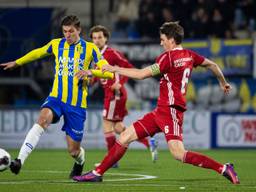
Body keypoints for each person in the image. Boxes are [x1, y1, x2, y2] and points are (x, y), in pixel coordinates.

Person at [72, 21, 240, 184]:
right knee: (124, 136)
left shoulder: (168, 57)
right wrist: (222, 82)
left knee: (178, 153)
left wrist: (115, 69)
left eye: (163, 39)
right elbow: (212, 64)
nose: (161, 43)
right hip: (160, 111)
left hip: (171, 111)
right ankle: (97, 173)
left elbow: (141, 74)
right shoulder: (190, 55)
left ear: (172, 40)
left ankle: (223, 168)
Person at [0, 15, 113, 178]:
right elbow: (37, 53)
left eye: (71, 31)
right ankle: (19, 161)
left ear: (79, 30)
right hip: (56, 98)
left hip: (76, 105)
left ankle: (80, 162)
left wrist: (91, 71)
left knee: (73, 151)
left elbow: (108, 73)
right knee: (42, 120)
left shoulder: (90, 49)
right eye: (65, 31)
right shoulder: (57, 44)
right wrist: (17, 62)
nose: (67, 35)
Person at [89, 25, 158, 165]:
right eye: (94, 38)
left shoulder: (112, 53)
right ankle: (149, 143)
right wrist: (91, 79)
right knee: (118, 128)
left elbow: (128, 67)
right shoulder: (95, 55)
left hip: (115, 94)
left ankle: (111, 161)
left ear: (106, 38)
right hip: (111, 94)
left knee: (107, 126)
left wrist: (121, 83)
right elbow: (100, 75)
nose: (97, 40)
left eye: (100, 37)